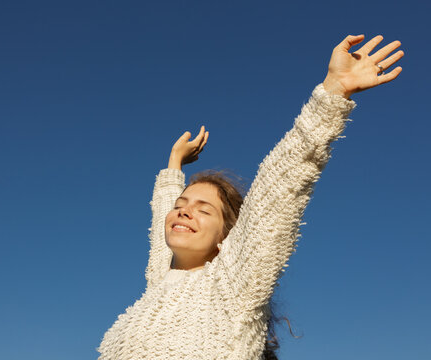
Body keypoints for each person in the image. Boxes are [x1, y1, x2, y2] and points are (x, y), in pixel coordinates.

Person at [96, 34, 404, 359]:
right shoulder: (160, 280)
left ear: (226, 237)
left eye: (203, 210)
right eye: (181, 206)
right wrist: (174, 164)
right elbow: (162, 218)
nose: (183, 213)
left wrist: (333, 93)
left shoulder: (231, 285)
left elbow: (276, 193)